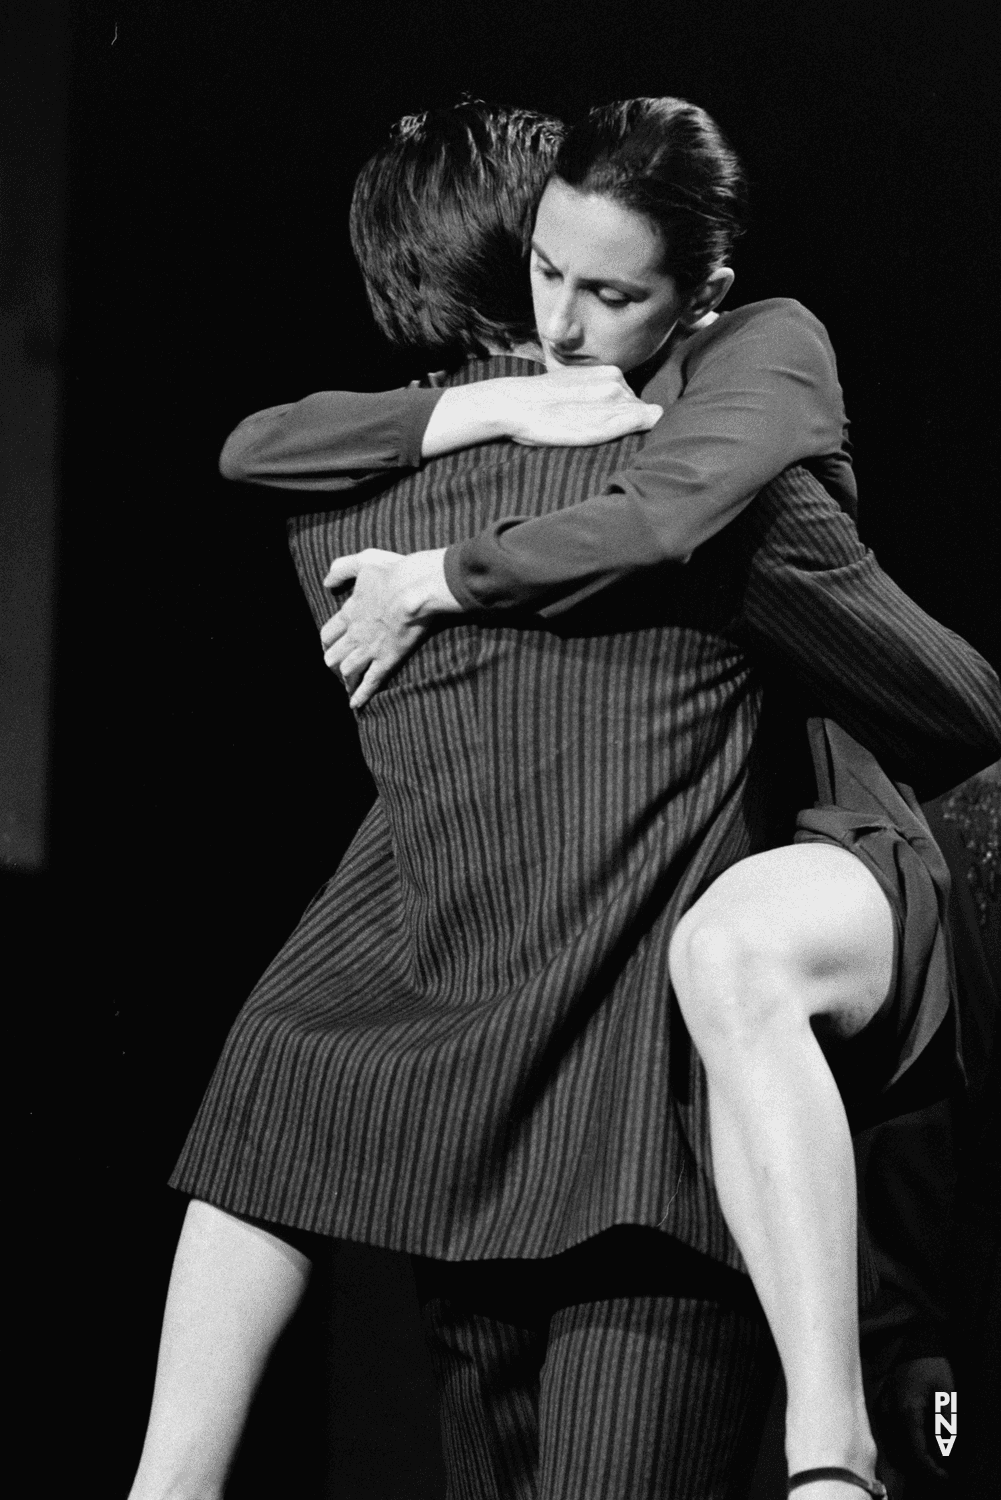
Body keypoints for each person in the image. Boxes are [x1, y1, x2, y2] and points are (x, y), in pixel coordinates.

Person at [130, 101, 1001, 1500]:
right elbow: (950, 706)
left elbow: (257, 445)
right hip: (647, 1158)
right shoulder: (715, 492)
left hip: (457, 1150)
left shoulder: (340, 524)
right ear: (526, 251)